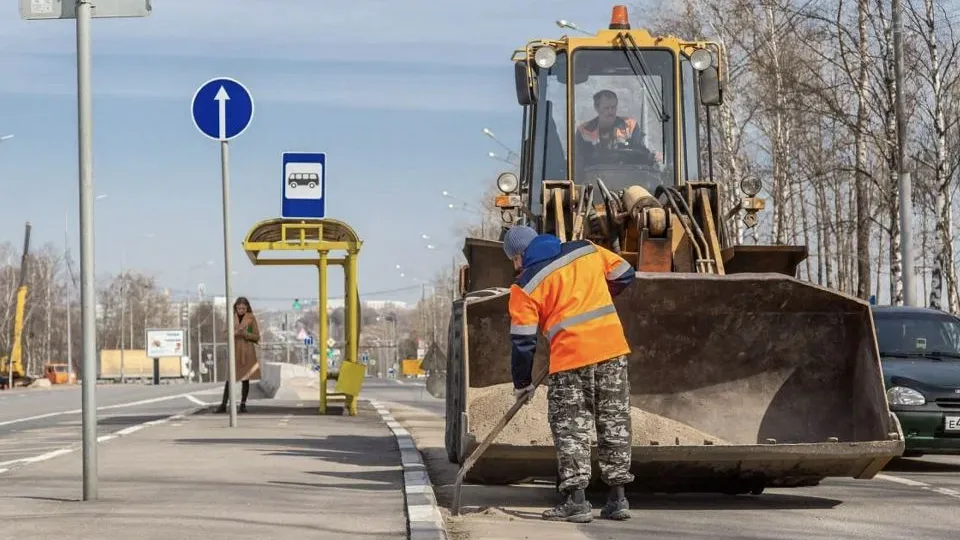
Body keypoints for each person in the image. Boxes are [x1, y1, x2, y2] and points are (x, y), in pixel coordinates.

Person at [504, 224, 636, 523]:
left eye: (513, 260)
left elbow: (523, 342)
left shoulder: (524, 286)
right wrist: (599, 293)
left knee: (571, 430)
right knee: (613, 422)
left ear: (519, 256)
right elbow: (625, 273)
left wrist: (522, 384)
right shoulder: (586, 249)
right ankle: (618, 500)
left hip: (570, 360)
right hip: (612, 351)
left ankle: (577, 502)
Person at [574, 89, 658, 170]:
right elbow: (578, 164)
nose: (611, 112)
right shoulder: (584, 131)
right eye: (606, 108)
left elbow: (641, 156)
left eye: (613, 107)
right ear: (597, 108)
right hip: (594, 179)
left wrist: (653, 157)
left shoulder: (631, 127)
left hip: (627, 178)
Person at [216, 296, 261, 414]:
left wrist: (246, 334)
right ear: (235, 308)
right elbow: (224, 335)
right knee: (229, 378)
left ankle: (243, 404)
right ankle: (223, 404)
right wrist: (235, 332)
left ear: (247, 308)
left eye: (243, 308)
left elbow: (257, 336)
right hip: (234, 350)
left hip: (247, 351)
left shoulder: (251, 319)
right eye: (239, 308)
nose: (241, 310)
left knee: (245, 379)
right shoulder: (231, 318)